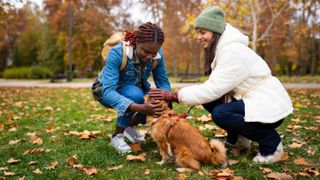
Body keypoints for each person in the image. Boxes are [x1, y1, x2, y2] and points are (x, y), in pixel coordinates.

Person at [150, 6, 293, 164]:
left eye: (202, 32)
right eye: (198, 32)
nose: (199, 37)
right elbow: (215, 88)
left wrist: (175, 96)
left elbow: (212, 89)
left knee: (221, 113)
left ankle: (272, 144)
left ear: (215, 32)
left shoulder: (233, 52)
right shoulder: (224, 49)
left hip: (268, 103)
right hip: (252, 99)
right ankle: (240, 138)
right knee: (211, 102)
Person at [97, 22, 171, 153]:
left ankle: (130, 128)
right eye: (145, 51)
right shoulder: (118, 52)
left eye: (153, 53)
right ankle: (117, 136)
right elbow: (108, 91)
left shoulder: (157, 54)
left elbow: (163, 82)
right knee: (136, 95)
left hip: (136, 88)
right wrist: (139, 108)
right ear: (136, 42)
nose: (149, 57)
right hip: (105, 91)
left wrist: (164, 98)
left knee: (162, 102)